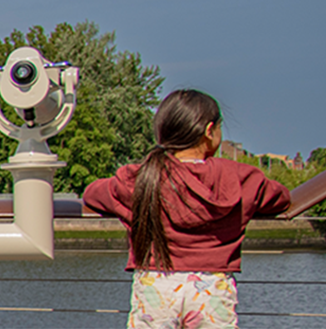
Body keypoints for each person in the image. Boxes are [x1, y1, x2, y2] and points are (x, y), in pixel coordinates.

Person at [83, 89, 290, 329]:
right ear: (209, 130)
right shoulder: (238, 177)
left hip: (156, 284)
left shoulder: (141, 179)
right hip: (212, 287)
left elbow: (92, 194)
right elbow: (281, 199)